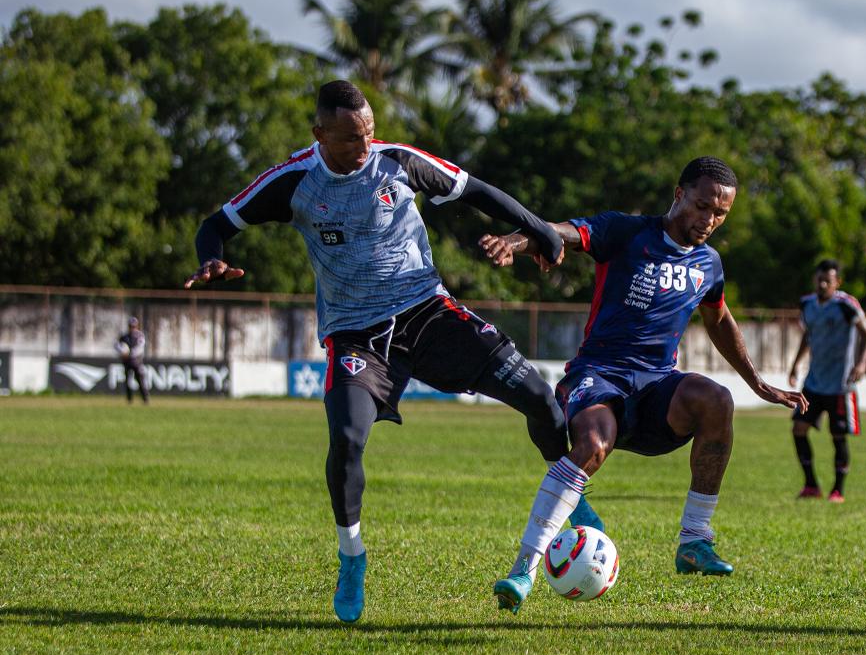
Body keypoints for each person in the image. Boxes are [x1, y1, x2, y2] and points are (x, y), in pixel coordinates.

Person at [183, 80, 602, 623]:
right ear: (319, 135)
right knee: (348, 437)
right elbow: (216, 224)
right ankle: (352, 556)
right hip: (355, 333)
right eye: (353, 137)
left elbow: (476, 190)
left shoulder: (399, 163)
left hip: (428, 313)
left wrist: (540, 230)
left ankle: (573, 508)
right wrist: (211, 257)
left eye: (370, 131)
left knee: (540, 399)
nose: (365, 145)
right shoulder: (293, 181)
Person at [478, 157, 808, 614]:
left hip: (657, 387)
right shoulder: (627, 233)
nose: (709, 220)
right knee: (593, 441)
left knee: (717, 400)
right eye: (702, 205)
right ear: (679, 195)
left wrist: (757, 382)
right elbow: (558, 231)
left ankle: (695, 541)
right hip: (599, 375)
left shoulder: (708, 264)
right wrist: (514, 242)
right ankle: (524, 570)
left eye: (720, 214)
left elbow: (719, 318)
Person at [787, 260, 866, 504]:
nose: (823, 284)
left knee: (838, 436)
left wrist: (862, 363)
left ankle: (838, 489)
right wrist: (795, 364)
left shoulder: (847, 306)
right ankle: (811, 485)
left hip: (841, 385)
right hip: (813, 382)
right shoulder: (807, 304)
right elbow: (808, 334)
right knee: (798, 429)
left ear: (838, 282)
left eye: (828, 280)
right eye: (819, 279)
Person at [116, 316, 148, 404]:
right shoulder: (124, 337)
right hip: (127, 363)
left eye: (134, 326)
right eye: (131, 326)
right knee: (127, 381)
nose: (132, 328)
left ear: (137, 326)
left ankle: (145, 399)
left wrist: (129, 354)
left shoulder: (140, 336)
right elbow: (117, 346)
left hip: (137, 362)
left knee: (140, 381)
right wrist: (121, 352)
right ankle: (129, 399)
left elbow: (140, 349)